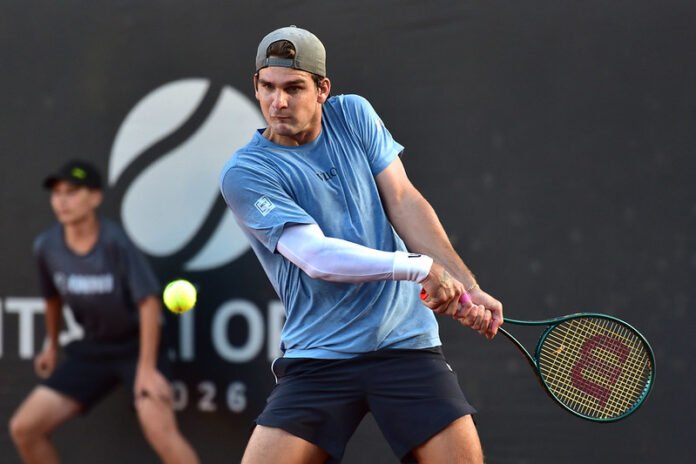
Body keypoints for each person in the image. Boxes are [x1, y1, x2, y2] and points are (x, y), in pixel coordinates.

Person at [219, 26, 504, 464]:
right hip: (319, 354)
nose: (278, 102)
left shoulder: (354, 115)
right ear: (255, 86)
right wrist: (420, 267)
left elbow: (404, 201)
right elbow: (316, 257)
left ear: (322, 90)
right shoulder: (246, 173)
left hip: (404, 343)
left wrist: (466, 285)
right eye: (268, 87)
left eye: (294, 88)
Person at [9, 160, 199, 464]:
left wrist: (146, 370)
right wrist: (51, 346)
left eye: (72, 192)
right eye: (57, 193)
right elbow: (52, 298)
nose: (62, 201)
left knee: (161, 433)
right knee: (24, 428)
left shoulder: (114, 242)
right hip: (94, 350)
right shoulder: (46, 246)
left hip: (138, 349)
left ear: (95, 197)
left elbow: (148, 302)